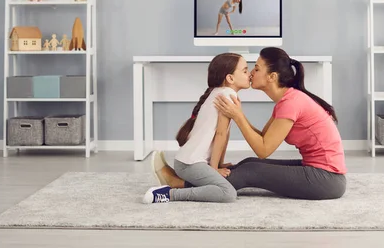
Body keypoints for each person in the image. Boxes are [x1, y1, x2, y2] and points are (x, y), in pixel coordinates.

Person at [153, 47, 347, 201]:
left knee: (251, 170)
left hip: (327, 180)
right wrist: (239, 115)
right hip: (320, 172)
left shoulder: (291, 103)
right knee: (248, 163)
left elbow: (263, 149)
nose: (252, 73)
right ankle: (195, 179)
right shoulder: (286, 101)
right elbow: (263, 137)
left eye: (257, 68)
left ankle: (179, 183)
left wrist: (238, 117)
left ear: (272, 77)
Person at [142, 52, 251, 204]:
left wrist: (219, 164)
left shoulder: (221, 92)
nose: (250, 74)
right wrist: (214, 168)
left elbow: (224, 134)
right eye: (245, 71)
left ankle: (177, 183)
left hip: (188, 161)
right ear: (230, 78)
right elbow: (220, 134)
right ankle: (168, 194)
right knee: (228, 193)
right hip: (190, 164)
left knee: (224, 182)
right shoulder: (227, 95)